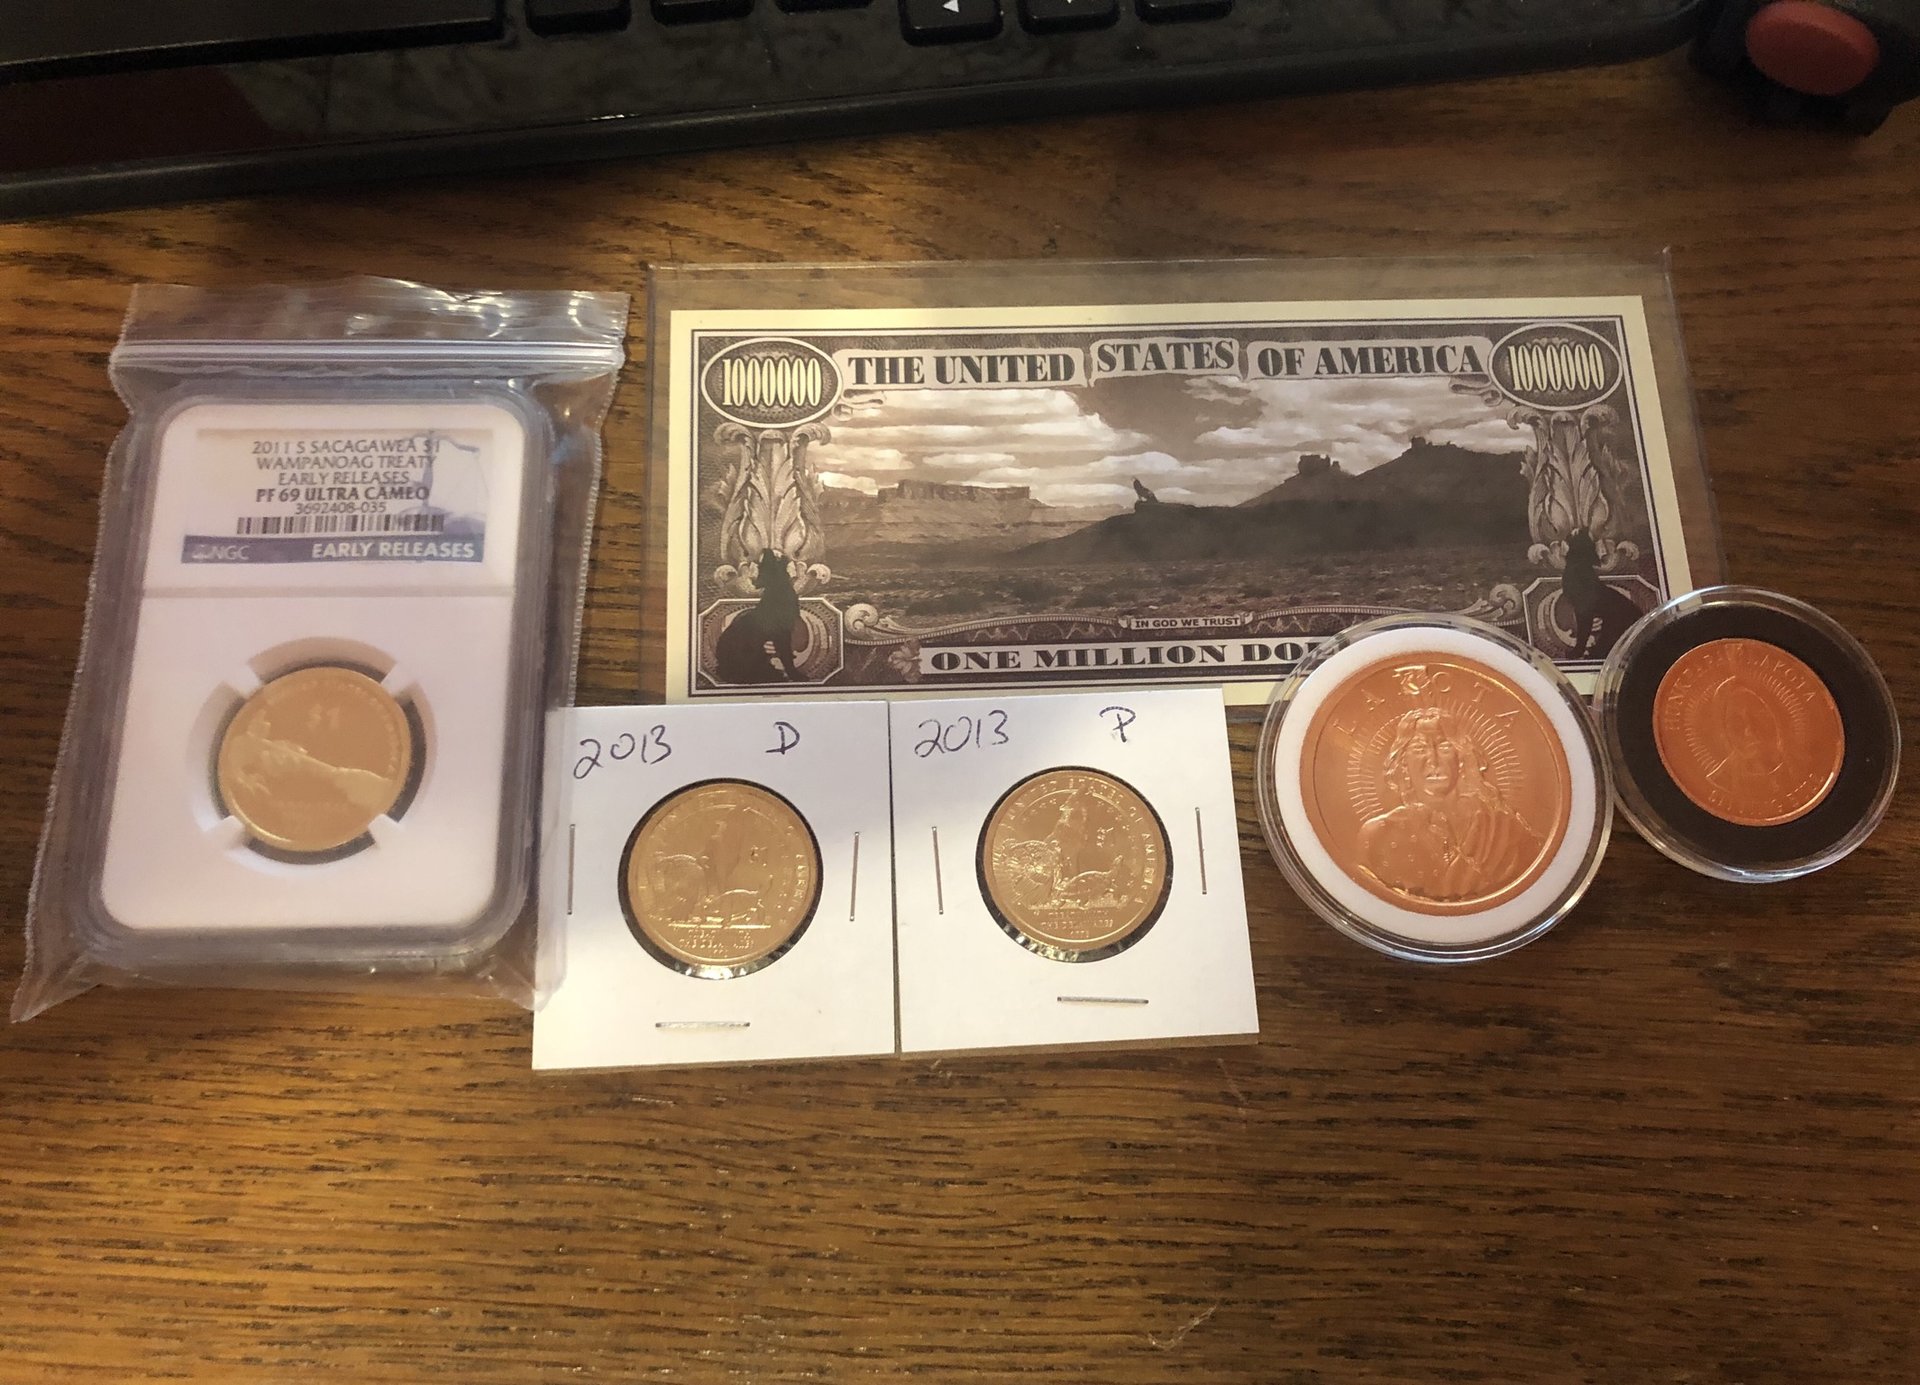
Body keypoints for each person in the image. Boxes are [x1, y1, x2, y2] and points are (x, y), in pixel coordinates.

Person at [1355, 707, 1543, 904]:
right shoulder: (1378, 835)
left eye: (1444, 748)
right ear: (1403, 764)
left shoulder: (1504, 828)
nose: (1433, 761)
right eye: (1419, 750)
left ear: (1460, 759)